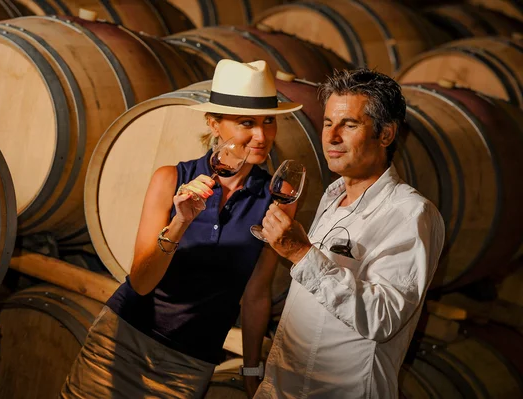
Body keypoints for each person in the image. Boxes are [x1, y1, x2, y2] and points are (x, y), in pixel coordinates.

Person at [60, 59, 302, 399]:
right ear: (214, 123)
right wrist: (180, 222)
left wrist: (252, 370)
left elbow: (256, 294)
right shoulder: (170, 179)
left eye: (269, 122)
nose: (262, 136)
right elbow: (141, 282)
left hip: (190, 363)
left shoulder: (276, 200)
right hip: (122, 341)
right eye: (247, 123)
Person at [253, 69, 445, 398]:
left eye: (349, 124)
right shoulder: (333, 193)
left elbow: (381, 318)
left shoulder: (411, 214)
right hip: (281, 387)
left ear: (386, 134)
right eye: (328, 123)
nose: (331, 137)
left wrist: (301, 254)